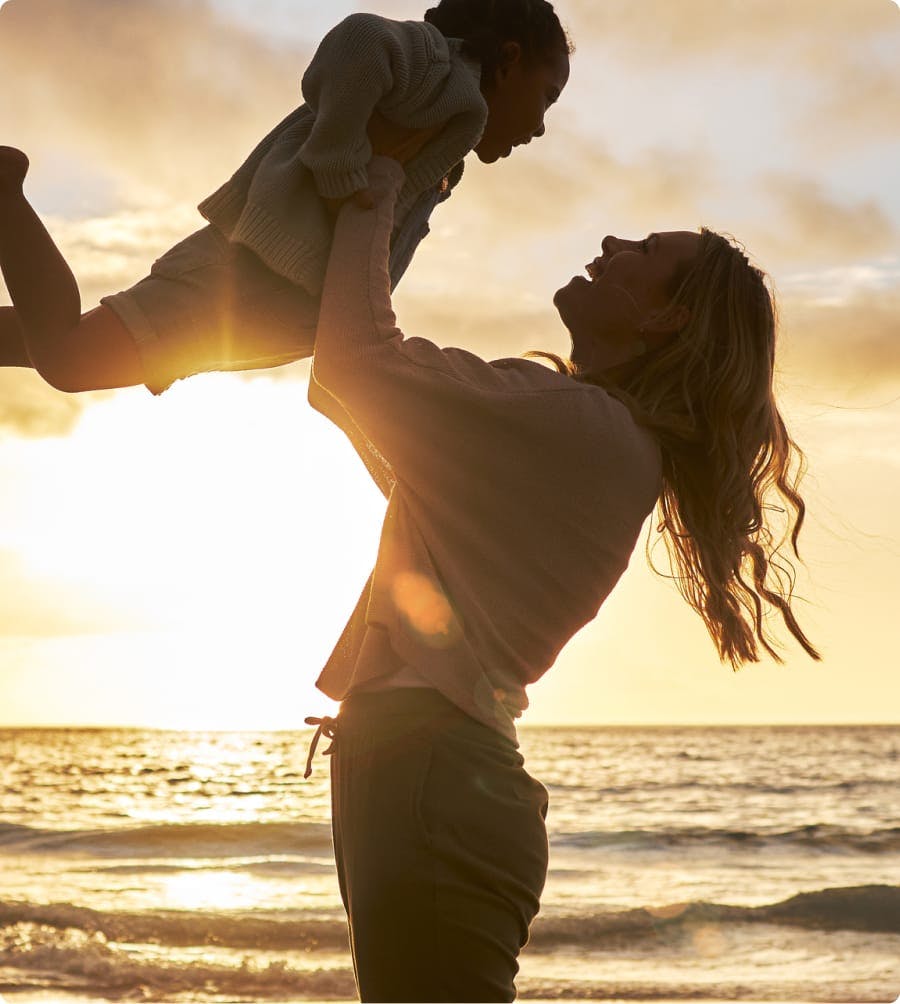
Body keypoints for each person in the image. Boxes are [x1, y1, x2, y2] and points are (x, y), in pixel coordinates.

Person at [302, 155, 821, 1002]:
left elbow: (356, 367)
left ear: (666, 319)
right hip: (420, 769)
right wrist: (378, 223)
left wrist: (375, 191)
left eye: (645, 252)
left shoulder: (583, 427)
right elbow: (347, 386)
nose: (613, 241)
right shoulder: (580, 434)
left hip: (431, 774)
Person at [0, 0, 572, 395]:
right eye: (548, 96)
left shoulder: (450, 134)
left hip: (257, 305)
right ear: (510, 58)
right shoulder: (445, 72)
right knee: (70, 358)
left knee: (64, 339)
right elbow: (360, 40)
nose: (543, 127)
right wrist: (339, 164)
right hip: (242, 279)